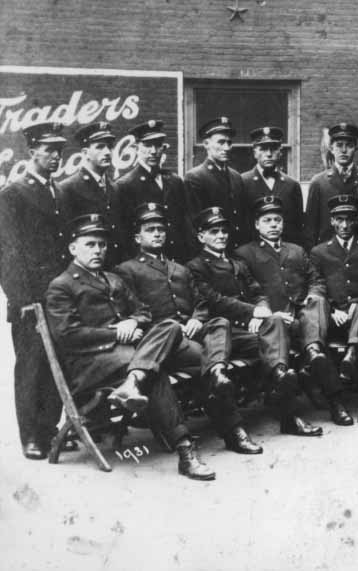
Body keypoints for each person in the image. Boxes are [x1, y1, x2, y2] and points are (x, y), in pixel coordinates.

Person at [45, 214, 215, 480]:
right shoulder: (62, 285)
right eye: (90, 244)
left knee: (169, 327)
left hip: (129, 354)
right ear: (73, 248)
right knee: (154, 372)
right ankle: (185, 450)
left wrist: (133, 321)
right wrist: (116, 331)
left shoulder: (113, 279)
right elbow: (68, 335)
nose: (98, 250)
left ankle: (132, 382)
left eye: (102, 245)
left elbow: (144, 311)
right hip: (91, 362)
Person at [115, 202, 262, 455]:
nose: (158, 234)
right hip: (159, 345)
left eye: (161, 229)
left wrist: (196, 317)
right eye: (150, 230)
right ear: (138, 237)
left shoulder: (179, 269)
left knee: (219, 323)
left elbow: (201, 302)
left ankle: (217, 372)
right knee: (206, 361)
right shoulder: (127, 270)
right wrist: (168, 328)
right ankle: (233, 431)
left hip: (189, 340)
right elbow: (134, 312)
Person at [187, 206, 322, 437]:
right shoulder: (196, 267)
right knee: (273, 342)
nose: (221, 236)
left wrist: (262, 309)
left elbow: (256, 290)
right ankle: (282, 395)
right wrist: (251, 313)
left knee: (277, 324)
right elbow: (215, 301)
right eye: (213, 232)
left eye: (223, 231)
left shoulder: (236, 263)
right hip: (222, 332)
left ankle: (281, 377)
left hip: (247, 329)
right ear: (201, 237)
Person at [234, 196, 354, 426]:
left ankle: (313, 351)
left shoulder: (297, 251)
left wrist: (314, 293)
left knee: (317, 304)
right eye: (267, 220)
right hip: (275, 321)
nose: (273, 225)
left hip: (302, 316)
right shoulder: (245, 254)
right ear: (257, 225)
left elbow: (316, 279)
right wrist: (266, 313)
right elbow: (246, 291)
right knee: (316, 343)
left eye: (277, 220)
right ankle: (335, 400)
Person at [0, 122, 71, 459]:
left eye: (60, 150)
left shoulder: (57, 190)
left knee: (57, 360)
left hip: (58, 296)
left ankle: (50, 427)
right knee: (31, 365)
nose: (56, 156)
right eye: (49, 149)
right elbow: (8, 252)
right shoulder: (13, 193)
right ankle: (31, 434)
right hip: (30, 299)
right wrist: (22, 299)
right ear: (32, 151)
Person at [309, 194, 358, 424]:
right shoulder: (319, 252)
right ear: (332, 221)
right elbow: (316, 287)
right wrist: (331, 311)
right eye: (340, 219)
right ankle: (337, 402)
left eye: (349, 219)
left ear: (356, 220)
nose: (345, 225)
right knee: (328, 343)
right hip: (335, 318)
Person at [116, 119, 192, 262]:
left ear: (163, 148)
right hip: (144, 263)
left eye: (157, 145)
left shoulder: (174, 181)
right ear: (136, 148)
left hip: (177, 259)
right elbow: (125, 232)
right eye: (147, 145)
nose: (153, 151)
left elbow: (184, 223)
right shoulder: (125, 185)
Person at [59, 121, 122, 264]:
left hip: (115, 268)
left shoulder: (115, 187)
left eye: (109, 147)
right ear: (85, 153)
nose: (107, 152)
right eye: (100, 147)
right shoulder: (68, 188)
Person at [304, 122, 358, 245]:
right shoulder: (319, 183)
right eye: (339, 145)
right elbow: (311, 226)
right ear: (331, 148)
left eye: (349, 145)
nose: (343, 150)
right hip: (327, 253)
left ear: (355, 148)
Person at [184, 117, 247, 247]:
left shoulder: (236, 177)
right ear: (206, 144)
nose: (227, 147)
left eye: (229, 143)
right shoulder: (195, 177)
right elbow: (194, 224)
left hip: (237, 249)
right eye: (221, 142)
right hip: (210, 250)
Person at [241, 126, 307, 248]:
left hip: (285, 255)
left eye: (274, 149)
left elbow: (298, 228)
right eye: (263, 149)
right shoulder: (242, 182)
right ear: (255, 152)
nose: (269, 154)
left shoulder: (292, 185)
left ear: (280, 152)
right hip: (252, 256)